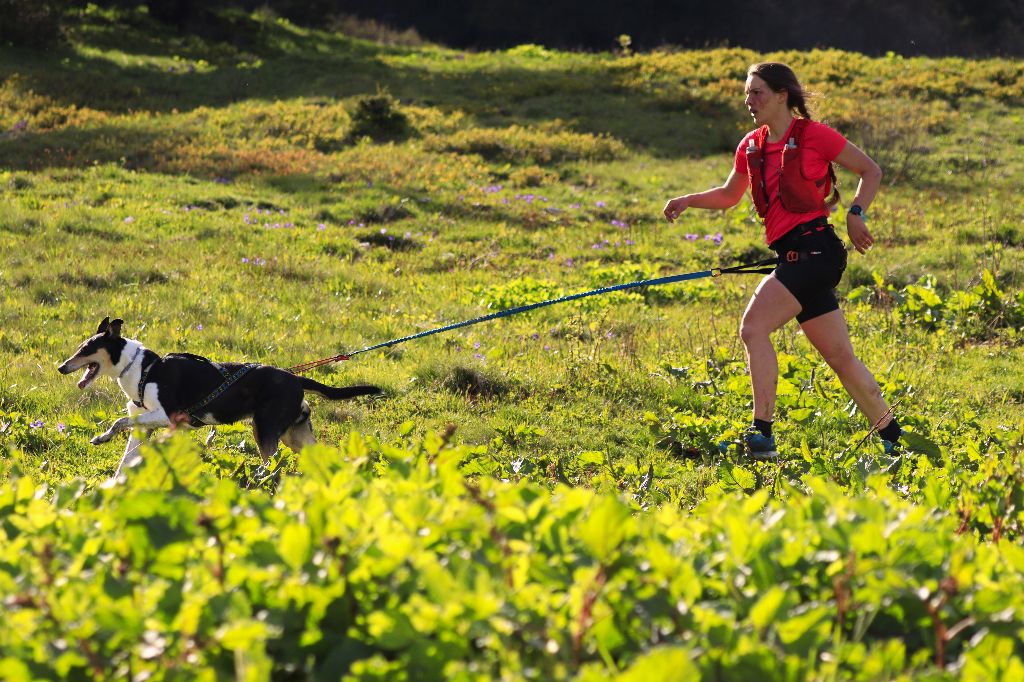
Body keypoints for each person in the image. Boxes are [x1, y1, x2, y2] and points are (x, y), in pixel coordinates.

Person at [661, 61, 901, 459]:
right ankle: (895, 438)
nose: (749, 101)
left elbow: (869, 171)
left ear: (781, 96)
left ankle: (762, 434)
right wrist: (688, 200)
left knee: (753, 329)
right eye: (747, 93)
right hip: (795, 256)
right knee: (840, 357)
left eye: (757, 93)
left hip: (816, 252)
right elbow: (729, 194)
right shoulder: (750, 145)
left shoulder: (814, 136)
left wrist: (855, 212)